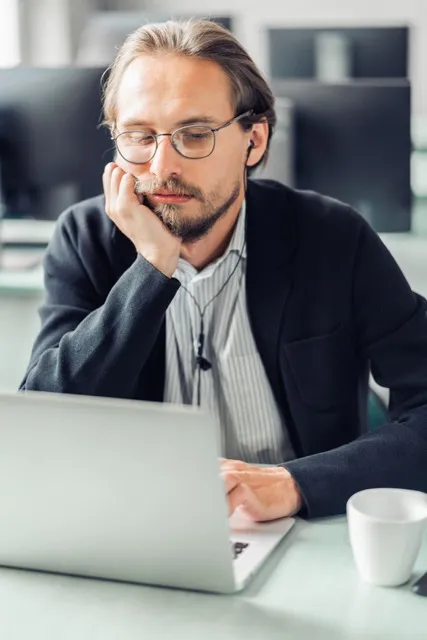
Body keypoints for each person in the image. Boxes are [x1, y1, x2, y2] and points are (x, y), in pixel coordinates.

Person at [21, 19, 427, 521]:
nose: (161, 166)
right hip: (133, 530)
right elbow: (44, 425)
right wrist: (151, 267)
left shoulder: (332, 237)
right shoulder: (85, 240)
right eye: (140, 136)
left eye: (194, 135)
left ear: (254, 141)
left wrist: (296, 484)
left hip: (298, 535)